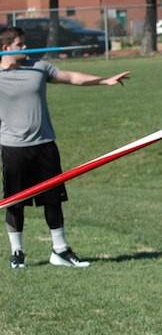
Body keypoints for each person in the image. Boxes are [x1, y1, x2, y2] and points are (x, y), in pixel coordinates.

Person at [1, 26, 130, 269]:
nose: (25, 48)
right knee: (15, 201)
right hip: (13, 147)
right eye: (20, 45)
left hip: (44, 145)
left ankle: (59, 250)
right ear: (6, 48)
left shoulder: (38, 67)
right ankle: (17, 253)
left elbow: (71, 77)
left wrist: (105, 80)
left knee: (53, 199)